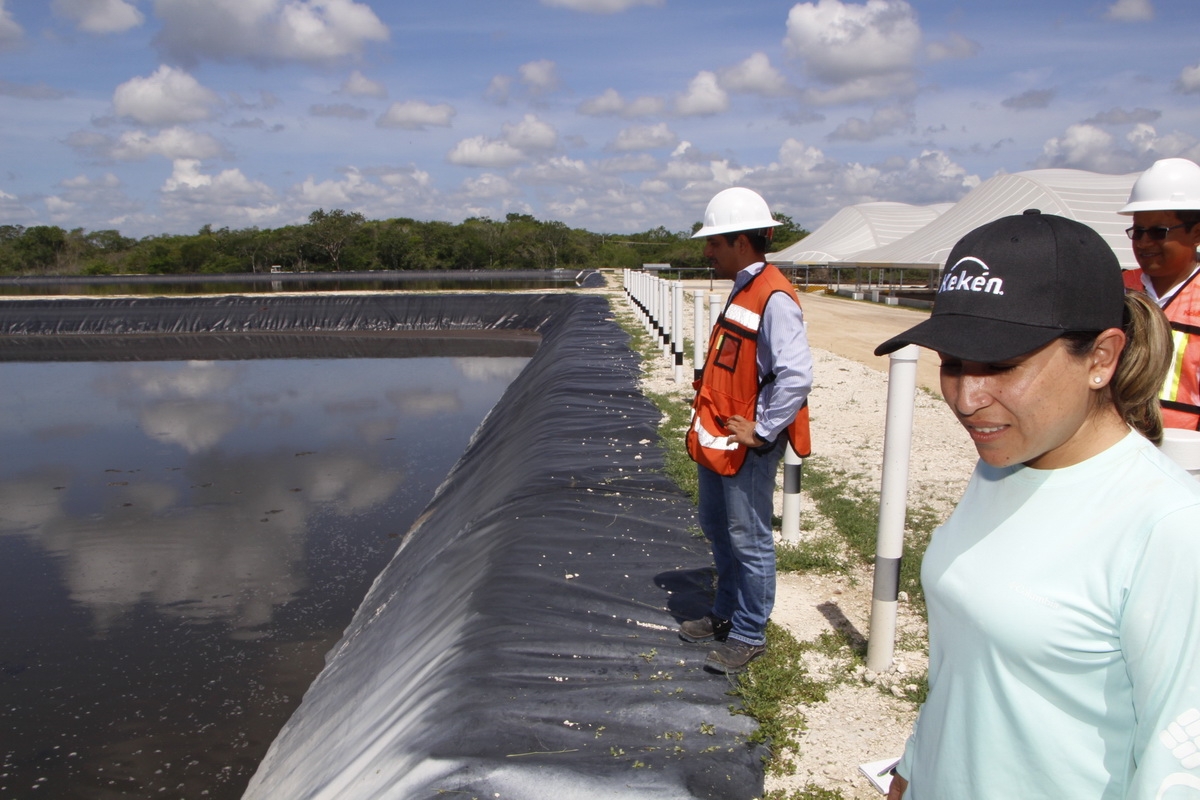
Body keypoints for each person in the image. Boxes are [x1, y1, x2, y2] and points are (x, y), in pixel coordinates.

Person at [874, 210, 1200, 799]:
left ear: (1101, 357)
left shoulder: (1170, 528)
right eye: (950, 363)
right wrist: (912, 768)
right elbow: (966, 668)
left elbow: (1179, 770)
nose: (968, 399)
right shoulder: (1001, 466)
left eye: (1001, 366)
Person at [680, 187, 814, 674]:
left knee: (749, 536)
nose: (707, 251)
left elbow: (797, 373)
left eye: (715, 242)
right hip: (723, 438)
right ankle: (725, 613)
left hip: (749, 446)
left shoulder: (773, 295)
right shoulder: (744, 284)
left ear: (741, 241)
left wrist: (762, 429)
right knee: (718, 527)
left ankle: (749, 631)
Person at [1119, 157, 1200, 430]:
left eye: (1158, 232)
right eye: (1138, 232)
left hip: (1189, 457)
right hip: (1120, 445)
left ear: (1197, 233)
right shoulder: (1116, 289)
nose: (1143, 242)